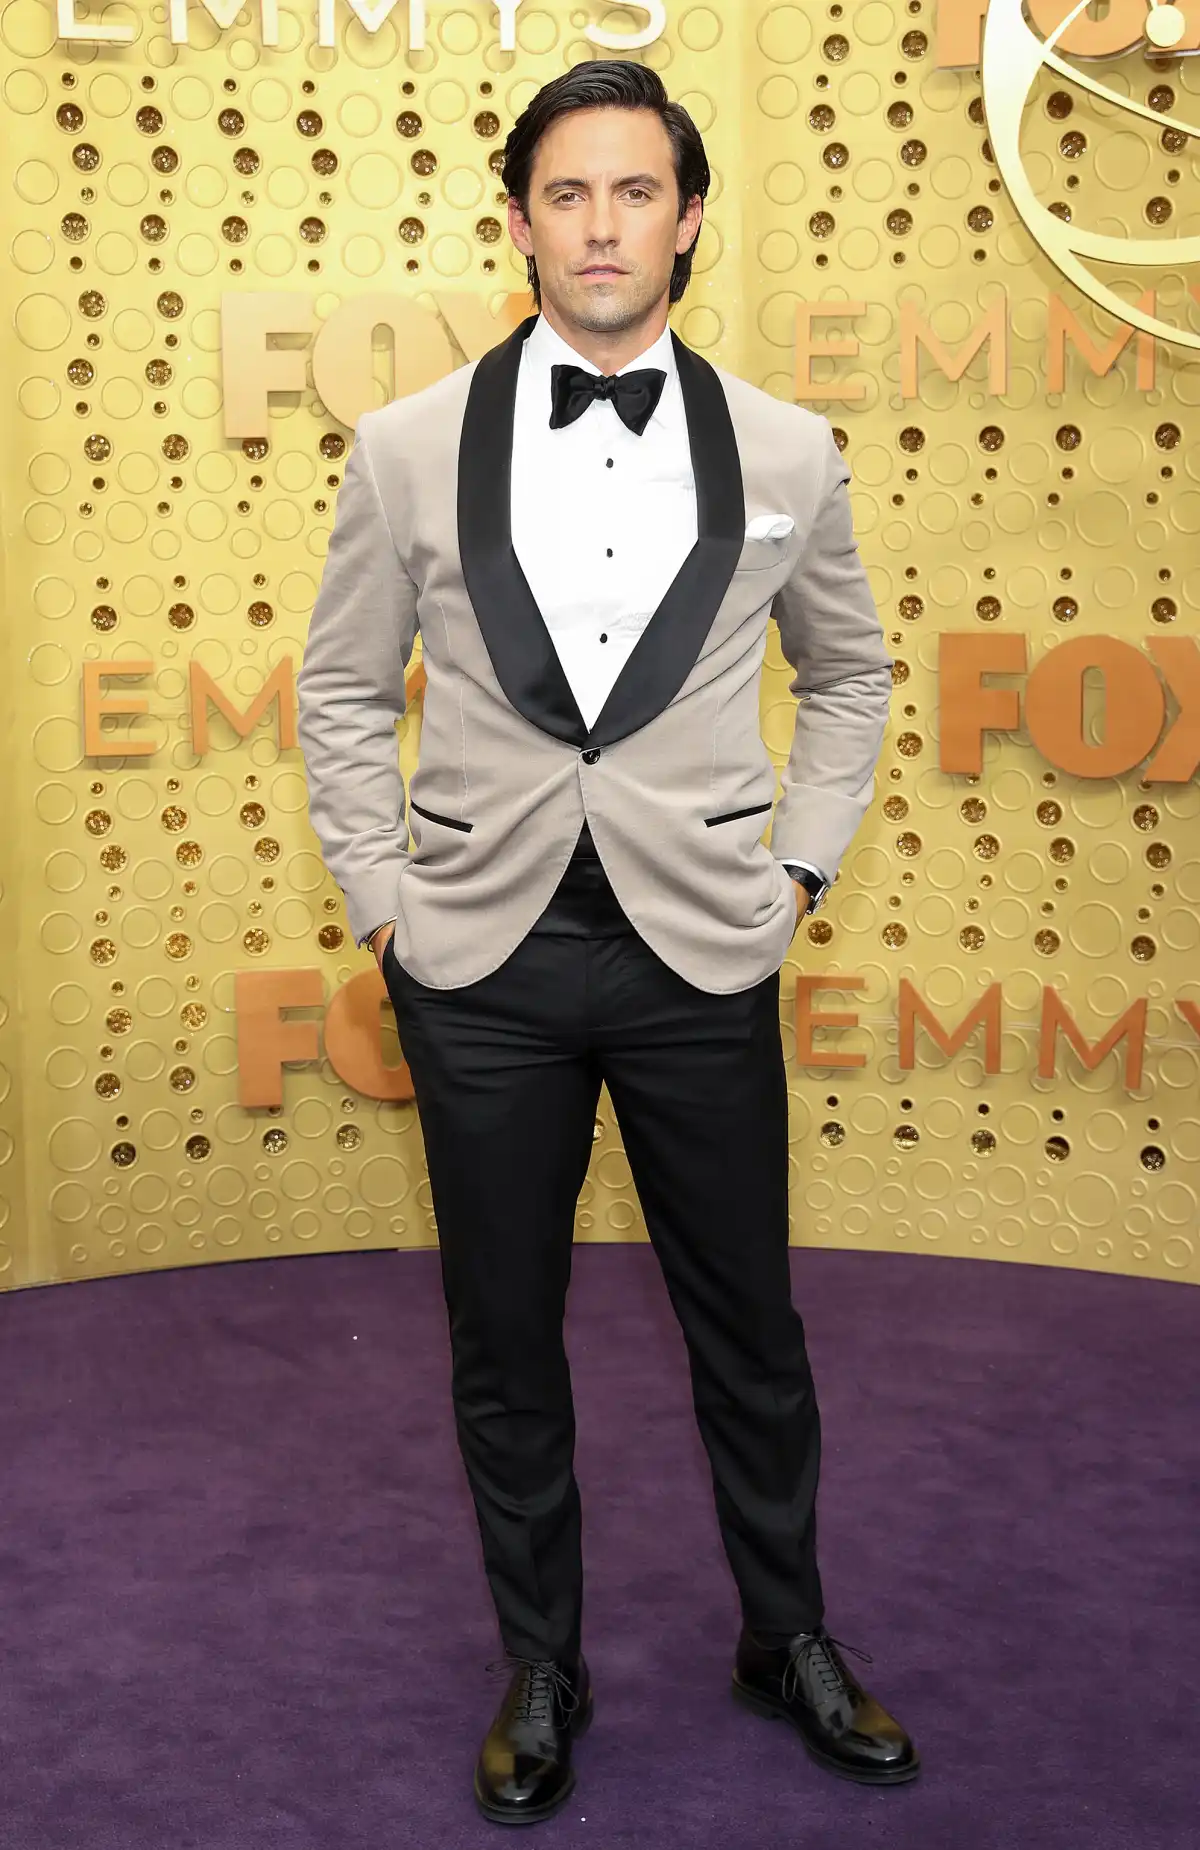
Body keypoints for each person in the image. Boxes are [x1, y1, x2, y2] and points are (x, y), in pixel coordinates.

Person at [297, 58, 914, 1827]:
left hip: (699, 949)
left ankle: (785, 1635)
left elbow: (854, 674)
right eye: (566, 194)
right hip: (478, 958)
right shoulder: (405, 446)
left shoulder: (786, 448)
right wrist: (385, 899)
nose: (600, 226)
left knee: (751, 1327)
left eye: (635, 191)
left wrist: (800, 869)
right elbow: (341, 689)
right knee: (506, 1334)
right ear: (519, 223)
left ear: (687, 218)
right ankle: (542, 1661)